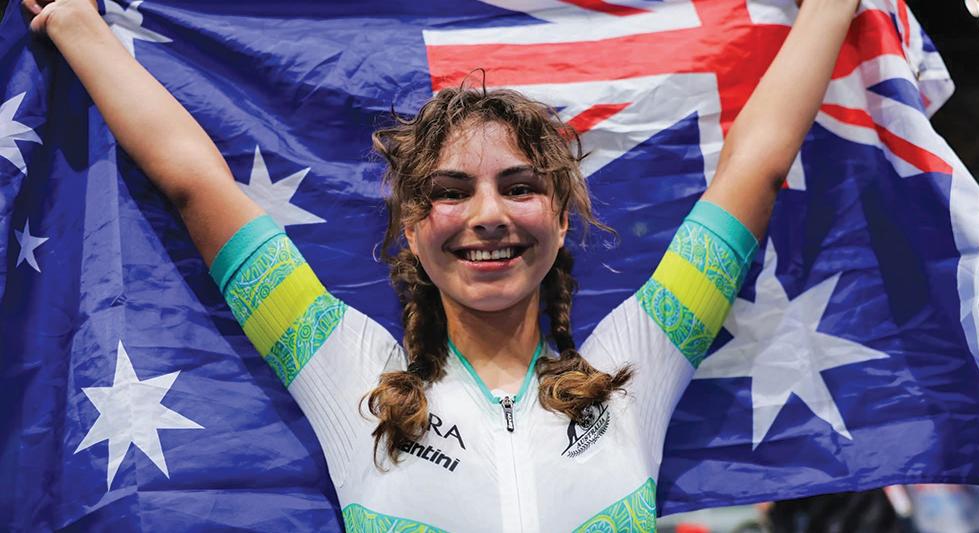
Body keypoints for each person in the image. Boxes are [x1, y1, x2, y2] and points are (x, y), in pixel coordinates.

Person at [24, 0, 861, 529]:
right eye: (452, 192)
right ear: (414, 229)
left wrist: (830, 6)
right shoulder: (346, 372)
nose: (488, 215)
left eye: (520, 187)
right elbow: (193, 182)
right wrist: (74, 23)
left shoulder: (635, 367)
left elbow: (755, 166)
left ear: (560, 217)